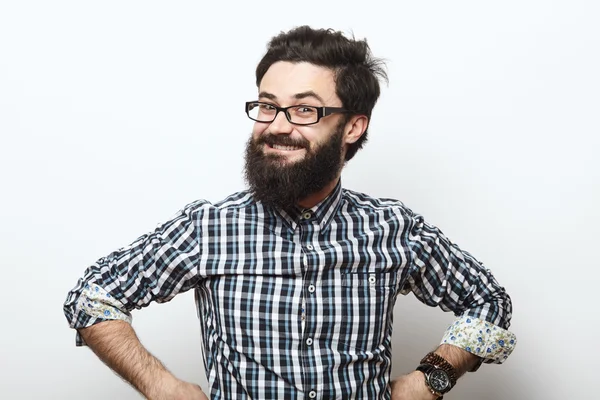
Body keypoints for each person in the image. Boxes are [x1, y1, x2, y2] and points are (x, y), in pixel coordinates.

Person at [63, 25, 516, 400]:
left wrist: (432, 378)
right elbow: (91, 297)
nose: (276, 126)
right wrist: (161, 386)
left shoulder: (394, 228)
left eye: (304, 109)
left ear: (353, 126)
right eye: (266, 105)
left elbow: (489, 303)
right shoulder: (209, 227)